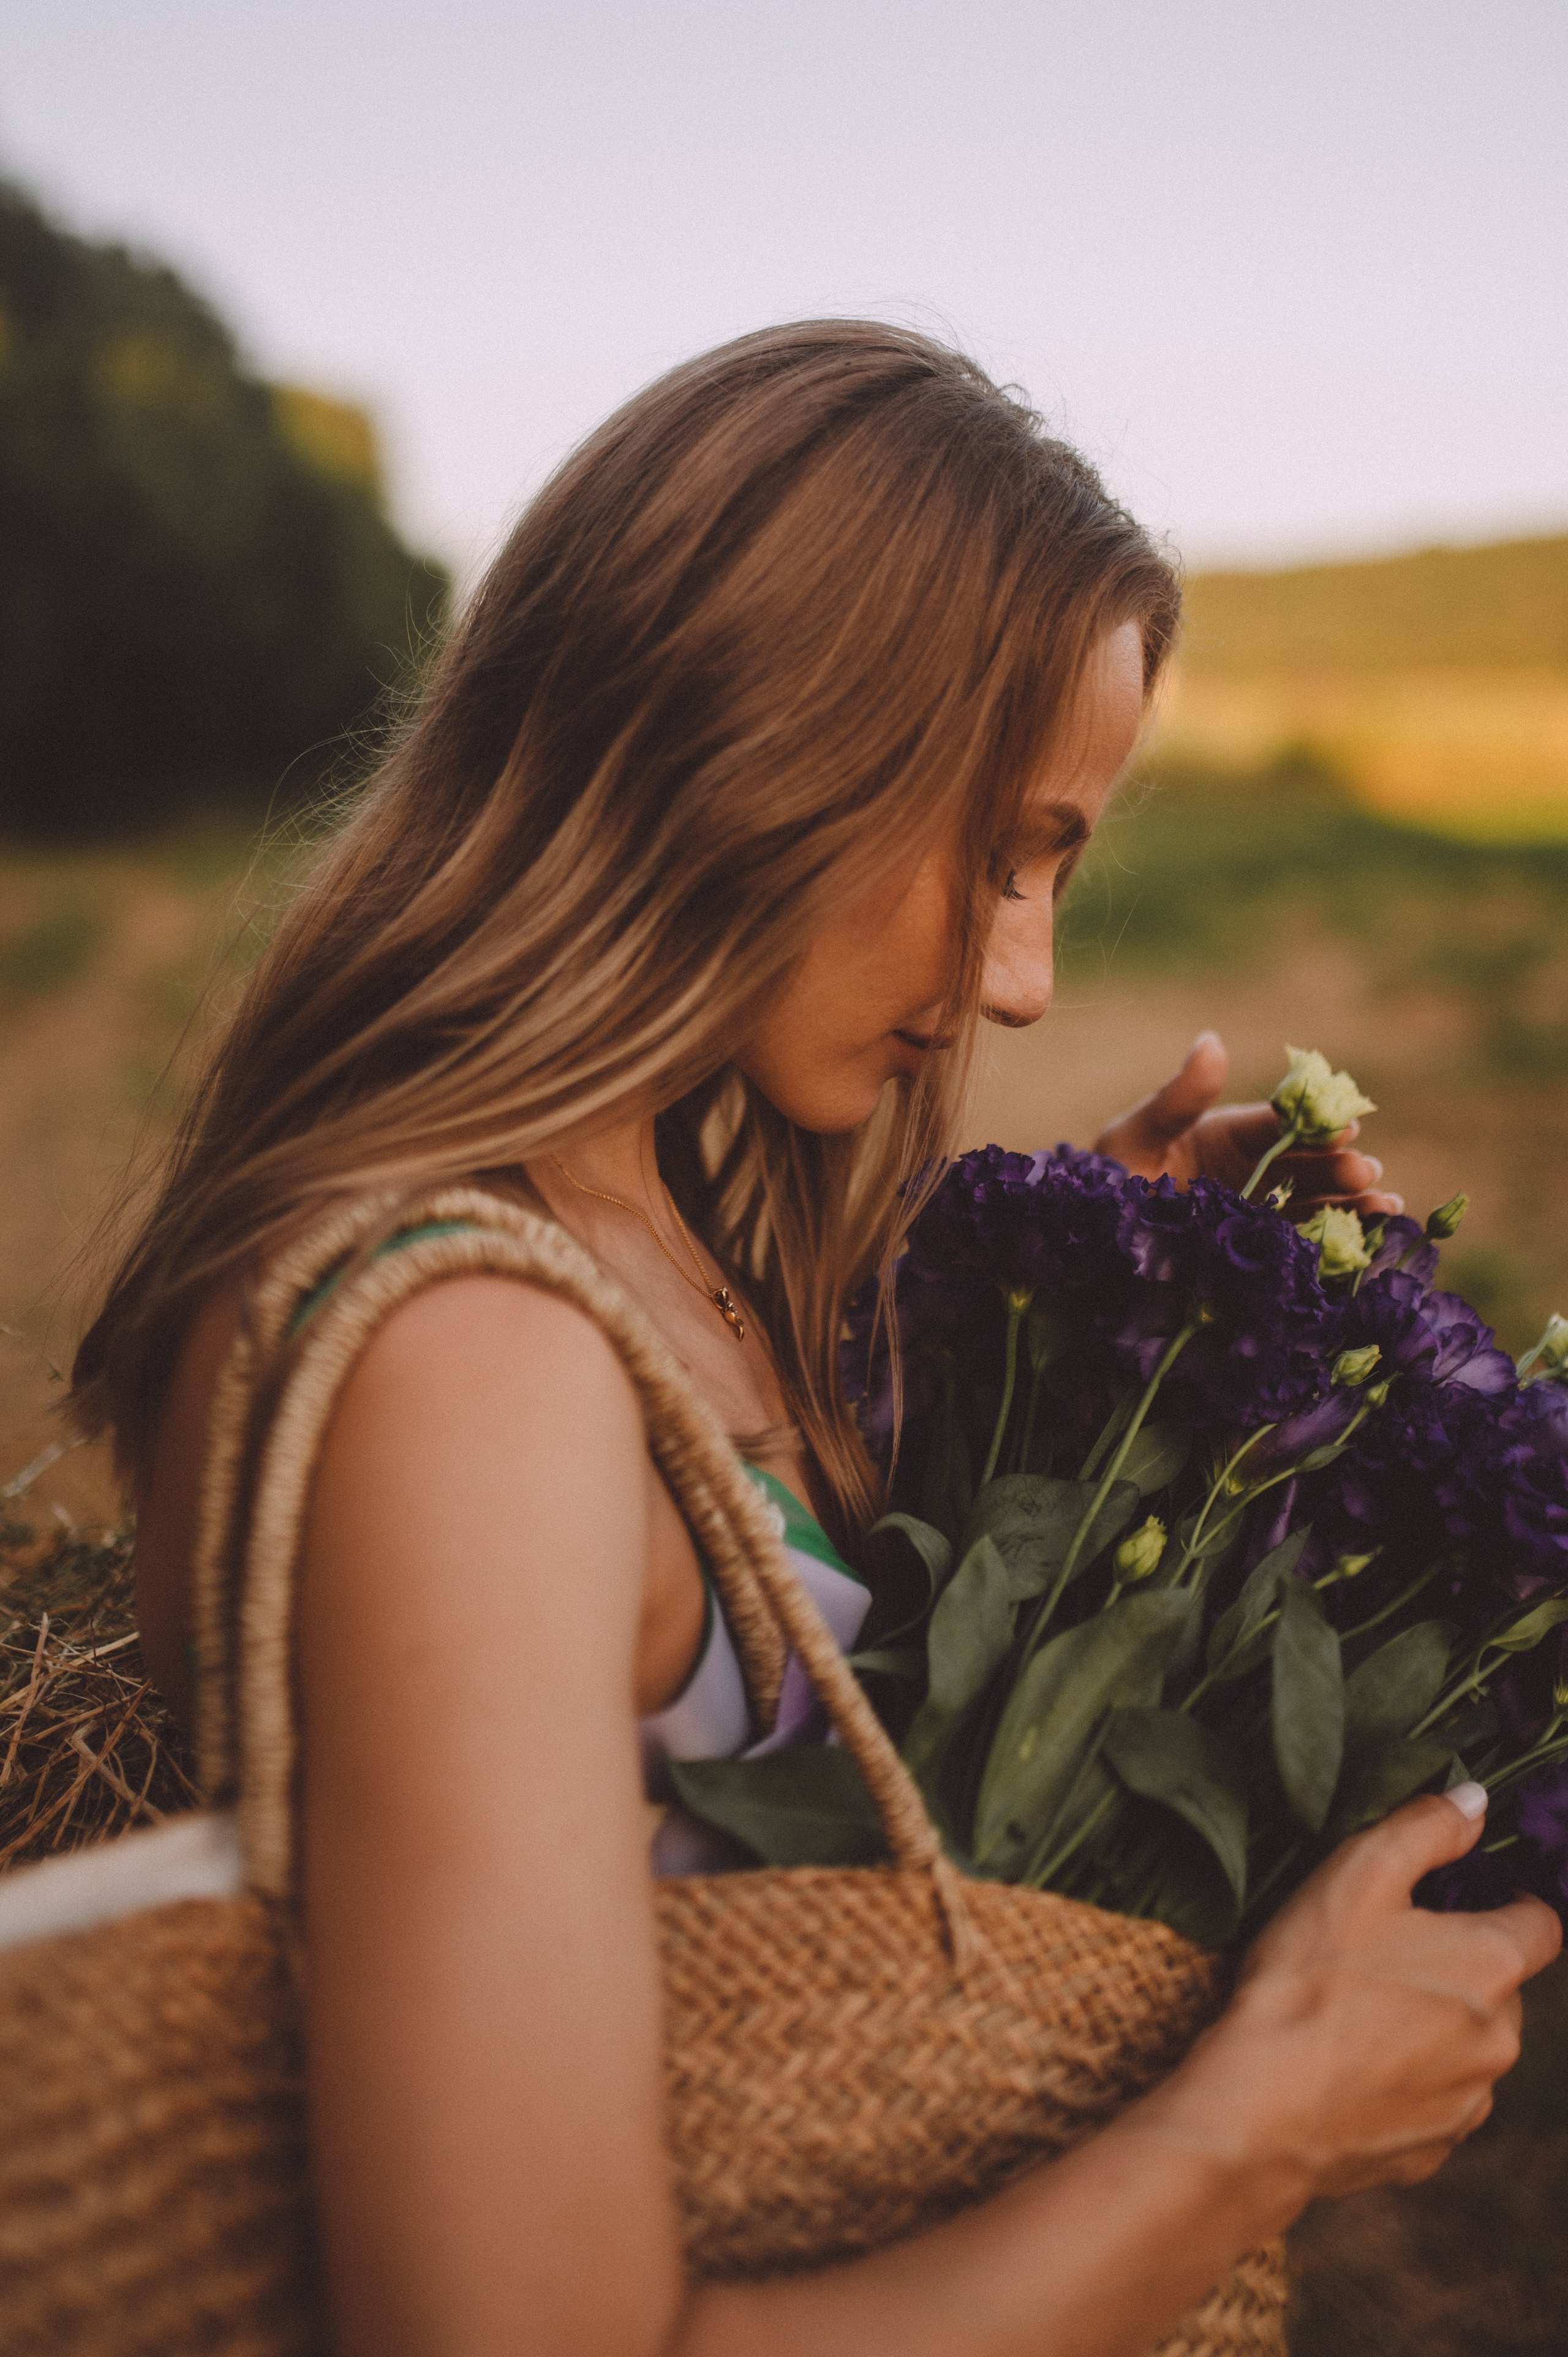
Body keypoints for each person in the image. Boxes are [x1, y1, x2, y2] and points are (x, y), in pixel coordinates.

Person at [75, 321, 1558, 2357]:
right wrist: (1258, 2127)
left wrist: (1089, 1330)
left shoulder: (632, 1251)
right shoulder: (467, 1374)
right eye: (1011, 849)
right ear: (767, 752)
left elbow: (729, 1601)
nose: (1027, 980)